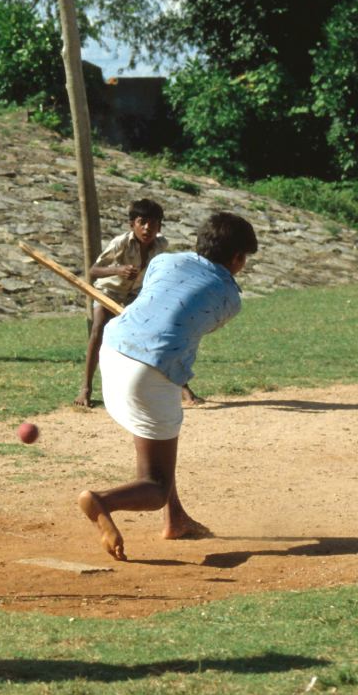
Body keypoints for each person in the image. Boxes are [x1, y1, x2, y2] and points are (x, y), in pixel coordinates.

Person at [78, 211, 258, 561]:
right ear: (237, 258)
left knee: (159, 444)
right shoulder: (230, 299)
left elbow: (157, 296)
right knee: (155, 485)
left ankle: (175, 520)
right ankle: (101, 501)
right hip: (150, 371)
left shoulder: (163, 261)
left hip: (113, 349)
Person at [74, 199, 202, 408]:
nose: (147, 228)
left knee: (161, 333)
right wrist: (118, 270)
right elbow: (93, 270)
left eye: (153, 223)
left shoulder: (161, 245)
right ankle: (86, 389)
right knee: (98, 329)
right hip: (109, 291)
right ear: (132, 224)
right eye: (142, 222)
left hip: (135, 294)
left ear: (159, 227)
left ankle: (182, 386)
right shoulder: (120, 243)